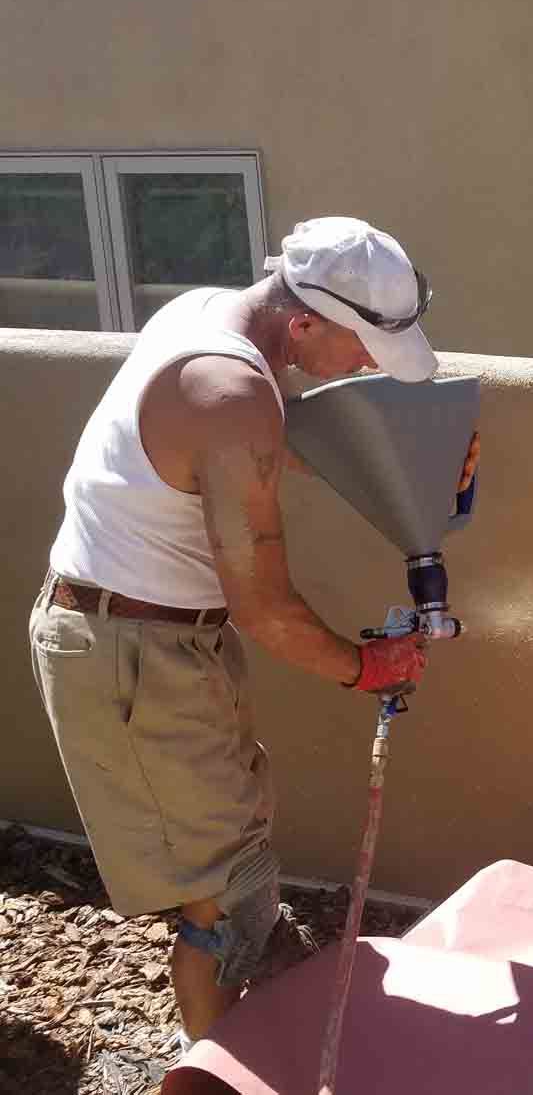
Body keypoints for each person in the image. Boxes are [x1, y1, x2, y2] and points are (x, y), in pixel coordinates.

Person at [27, 216, 480, 1047]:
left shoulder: (212, 315)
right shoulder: (227, 390)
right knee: (222, 898)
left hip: (160, 633)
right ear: (302, 322)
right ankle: (214, 1075)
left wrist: (422, 464)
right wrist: (365, 667)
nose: (369, 365)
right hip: (129, 651)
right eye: (363, 347)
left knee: (237, 839)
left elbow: (276, 446)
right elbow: (266, 607)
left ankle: (240, 1036)